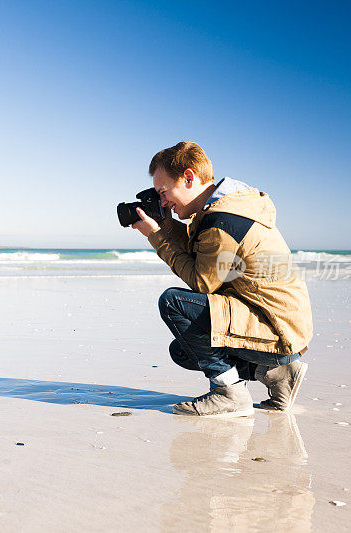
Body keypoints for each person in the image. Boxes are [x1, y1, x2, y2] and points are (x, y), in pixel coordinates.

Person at [131, 142, 313, 417]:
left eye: (163, 192)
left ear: (189, 178)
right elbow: (203, 252)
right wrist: (166, 225)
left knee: (173, 303)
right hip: (283, 327)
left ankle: (229, 394)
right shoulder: (227, 208)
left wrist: (156, 237)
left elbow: (202, 282)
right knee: (183, 350)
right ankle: (278, 373)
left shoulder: (223, 220)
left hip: (275, 330)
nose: (163, 202)